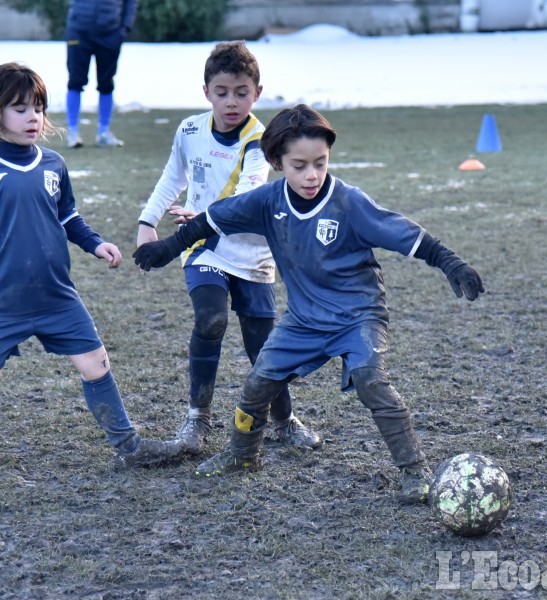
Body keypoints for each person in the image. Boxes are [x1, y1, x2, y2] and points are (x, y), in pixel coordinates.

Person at [132, 104, 485, 503]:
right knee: (257, 383)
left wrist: (450, 263)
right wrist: (166, 248)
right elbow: (212, 219)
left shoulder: (348, 203)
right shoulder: (267, 201)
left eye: (320, 163)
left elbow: (406, 234)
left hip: (357, 317)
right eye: (299, 165)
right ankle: (242, 456)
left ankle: (413, 470)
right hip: (303, 321)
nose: (312, 174)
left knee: (370, 379)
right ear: (277, 163)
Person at [136, 41, 320, 455]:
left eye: (241, 92)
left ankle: (284, 419)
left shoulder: (262, 140)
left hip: (253, 252)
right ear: (206, 93)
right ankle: (196, 419)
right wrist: (147, 223)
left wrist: (200, 216)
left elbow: (249, 192)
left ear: (257, 92)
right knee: (210, 319)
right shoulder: (188, 130)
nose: (231, 101)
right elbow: (172, 178)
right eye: (222, 92)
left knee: (263, 344)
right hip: (203, 247)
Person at [0, 62, 185, 467]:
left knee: (96, 363)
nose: (33, 117)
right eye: (19, 108)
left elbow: (67, 217)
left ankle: (128, 446)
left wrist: (96, 244)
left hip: (55, 295)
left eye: (38, 107)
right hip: (4, 299)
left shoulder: (52, 164)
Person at [65, 0, 138, 148]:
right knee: (75, 81)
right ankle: (72, 132)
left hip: (110, 33)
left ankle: (103, 133)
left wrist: (125, 27)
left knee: (106, 83)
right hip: (78, 31)